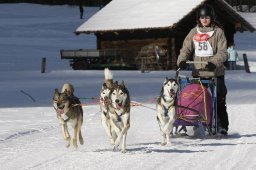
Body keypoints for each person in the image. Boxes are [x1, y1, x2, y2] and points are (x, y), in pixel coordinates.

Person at [177, 4, 229, 135]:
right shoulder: (194, 32)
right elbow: (185, 49)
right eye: (202, 17)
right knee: (196, 99)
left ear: (212, 18)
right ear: (198, 19)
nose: (204, 20)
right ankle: (196, 121)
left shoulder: (218, 32)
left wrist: (213, 62)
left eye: (207, 17)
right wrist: (181, 61)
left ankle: (222, 125)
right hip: (199, 73)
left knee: (219, 99)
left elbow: (223, 53)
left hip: (215, 72)